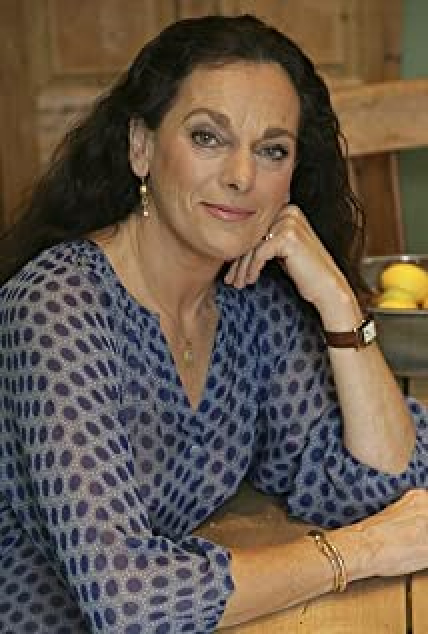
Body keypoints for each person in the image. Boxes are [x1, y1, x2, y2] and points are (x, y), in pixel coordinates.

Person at [0, 13, 427, 634]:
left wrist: (338, 300)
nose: (241, 177)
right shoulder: (58, 306)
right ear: (141, 147)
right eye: (207, 137)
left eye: (272, 150)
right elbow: (126, 602)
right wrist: (360, 553)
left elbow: (387, 484)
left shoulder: (248, 296)